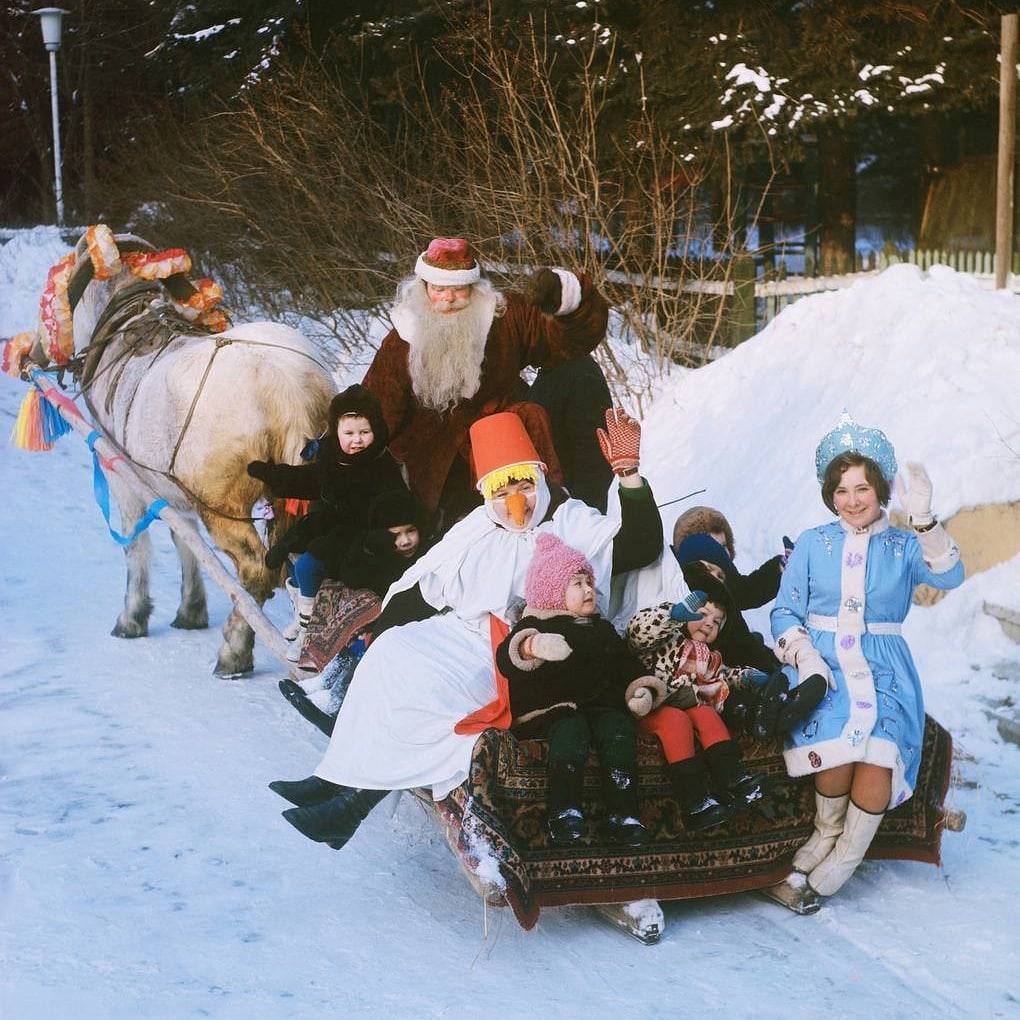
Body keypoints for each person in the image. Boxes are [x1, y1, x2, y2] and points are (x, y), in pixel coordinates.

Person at [268, 407, 669, 852]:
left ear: (536, 479)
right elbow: (425, 582)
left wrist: (629, 476)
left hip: (523, 650)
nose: (516, 501)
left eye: (523, 486)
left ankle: (354, 805)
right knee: (390, 653)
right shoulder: (478, 527)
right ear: (486, 495)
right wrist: (379, 629)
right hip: (465, 632)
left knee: (429, 693)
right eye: (502, 491)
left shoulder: (570, 522)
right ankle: (333, 777)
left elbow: (640, 544)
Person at [765, 413, 964, 913]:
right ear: (829, 494)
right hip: (825, 664)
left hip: (886, 667)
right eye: (841, 490)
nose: (852, 500)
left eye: (862, 488)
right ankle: (825, 832)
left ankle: (844, 858)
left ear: (881, 490)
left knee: (878, 751)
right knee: (836, 750)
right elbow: (784, 610)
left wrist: (924, 521)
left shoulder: (903, 545)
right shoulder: (813, 542)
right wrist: (806, 657)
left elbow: (951, 576)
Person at [361, 237, 611, 526]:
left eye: (458, 289)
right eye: (439, 289)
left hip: (514, 442)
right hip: (440, 466)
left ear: (473, 288)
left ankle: (583, 515)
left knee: (578, 369)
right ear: (423, 289)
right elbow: (374, 413)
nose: (449, 299)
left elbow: (570, 341)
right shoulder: (401, 341)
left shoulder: (504, 315)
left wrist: (561, 297)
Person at [495, 532, 656, 846]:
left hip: (600, 706)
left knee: (618, 728)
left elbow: (627, 664)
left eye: (589, 583)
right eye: (577, 584)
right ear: (553, 591)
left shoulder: (602, 628)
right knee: (572, 730)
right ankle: (565, 810)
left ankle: (622, 814)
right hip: (552, 708)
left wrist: (641, 690)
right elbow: (507, 658)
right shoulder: (538, 624)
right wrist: (533, 646)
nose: (588, 590)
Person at [246, 384, 408, 658]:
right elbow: (308, 481)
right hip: (331, 524)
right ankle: (303, 615)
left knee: (310, 565)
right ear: (337, 433)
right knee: (292, 554)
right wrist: (271, 474)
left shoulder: (382, 465)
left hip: (361, 533)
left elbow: (397, 505)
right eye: (349, 433)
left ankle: (310, 634)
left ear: (376, 431)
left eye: (364, 433)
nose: (357, 440)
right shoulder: (333, 460)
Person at [625, 592, 767, 830]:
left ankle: (734, 777)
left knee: (706, 713)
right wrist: (671, 614)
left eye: (717, 622)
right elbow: (638, 632)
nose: (709, 623)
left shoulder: (710, 658)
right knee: (676, 719)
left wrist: (746, 677)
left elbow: (725, 676)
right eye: (703, 615)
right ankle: (694, 801)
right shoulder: (666, 639)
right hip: (651, 705)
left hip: (689, 703)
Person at [529, 353, 614, 512]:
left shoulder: (579, 370)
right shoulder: (547, 375)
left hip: (575, 512)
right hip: (553, 508)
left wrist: (579, 513)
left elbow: (596, 455)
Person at [672, 505, 788, 609]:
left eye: (724, 545)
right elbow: (744, 593)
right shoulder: (681, 594)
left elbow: (746, 592)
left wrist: (782, 565)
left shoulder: (721, 580)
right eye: (713, 548)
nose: (721, 554)